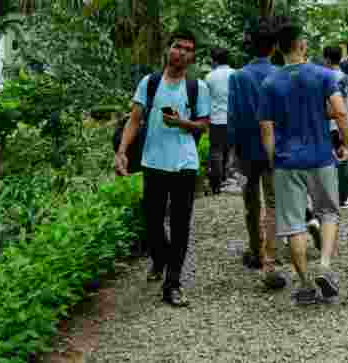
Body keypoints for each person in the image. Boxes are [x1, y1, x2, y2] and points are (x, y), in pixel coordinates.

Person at [115, 30, 211, 307]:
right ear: (168, 49)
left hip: (185, 164)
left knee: (180, 225)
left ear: (192, 57)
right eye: (177, 46)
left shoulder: (198, 88)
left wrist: (181, 123)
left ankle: (173, 283)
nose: (181, 52)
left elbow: (203, 125)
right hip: (153, 162)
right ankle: (159, 258)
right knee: (153, 221)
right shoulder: (150, 83)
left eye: (188, 49)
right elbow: (134, 120)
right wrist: (121, 152)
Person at [258, 22, 348, 305]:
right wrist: (347, 145)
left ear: (278, 49)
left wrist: (274, 159)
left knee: (293, 224)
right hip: (320, 157)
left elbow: (266, 128)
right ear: (301, 45)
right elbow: (340, 111)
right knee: (329, 213)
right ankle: (324, 266)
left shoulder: (270, 83)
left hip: (287, 161)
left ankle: (305, 284)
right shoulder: (322, 75)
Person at [228, 21, 291, 289]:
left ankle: (255, 250)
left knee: (251, 202)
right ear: (274, 47)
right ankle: (270, 255)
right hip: (276, 149)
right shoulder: (283, 73)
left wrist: (233, 151)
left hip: (248, 151)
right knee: (274, 203)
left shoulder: (238, 77)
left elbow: (233, 116)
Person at [323, 45, 348, 209]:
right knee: (344, 158)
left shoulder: (321, 78)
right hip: (344, 124)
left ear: (327, 59)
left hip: (326, 124)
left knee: (326, 161)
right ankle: (343, 197)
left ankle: (327, 196)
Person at [205, 47, 235, 195]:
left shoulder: (209, 77)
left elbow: (206, 99)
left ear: (214, 60)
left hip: (216, 119)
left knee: (216, 150)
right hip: (232, 119)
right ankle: (224, 178)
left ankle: (215, 184)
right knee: (229, 149)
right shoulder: (235, 75)